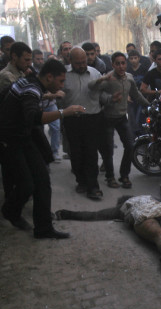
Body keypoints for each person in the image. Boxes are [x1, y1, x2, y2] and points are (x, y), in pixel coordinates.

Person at [0, 59, 83, 239]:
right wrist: (65, 112)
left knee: (42, 181)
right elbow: (33, 116)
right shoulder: (32, 88)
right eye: (61, 81)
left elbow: (0, 97)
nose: (62, 85)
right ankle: (10, 210)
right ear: (49, 77)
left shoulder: (26, 82)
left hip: (23, 137)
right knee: (26, 184)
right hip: (8, 140)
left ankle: (43, 228)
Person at [55, 195, 161, 274]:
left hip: (140, 214)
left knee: (160, 235)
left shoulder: (120, 208)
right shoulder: (151, 196)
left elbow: (94, 215)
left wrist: (67, 214)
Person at [89, 52, 150, 189]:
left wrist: (149, 105)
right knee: (108, 150)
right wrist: (109, 97)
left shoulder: (129, 78)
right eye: (118, 63)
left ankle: (124, 175)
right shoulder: (108, 78)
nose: (121, 66)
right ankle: (110, 177)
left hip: (122, 118)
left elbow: (136, 95)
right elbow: (93, 89)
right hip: (107, 119)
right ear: (113, 64)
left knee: (130, 146)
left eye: (123, 63)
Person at [59, 47, 109, 199]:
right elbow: (57, 97)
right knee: (76, 152)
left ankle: (93, 186)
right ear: (70, 61)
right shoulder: (64, 76)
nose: (81, 65)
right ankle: (81, 180)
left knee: (91, 153)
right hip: (72, 119)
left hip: (92, 118)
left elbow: (102, 94)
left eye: (83, 62)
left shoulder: (95, 73)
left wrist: (111, 99)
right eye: (78, 63)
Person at [127, 49, 150, 135]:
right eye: (131, 58)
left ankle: (143, 133)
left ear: (139, 58)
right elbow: (126, 84)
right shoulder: (128, 70)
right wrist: (128, 95)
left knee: (142, 116)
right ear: (129, 60)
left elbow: (147, 83)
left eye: (135, 58)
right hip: (131, 98)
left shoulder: (144, 69)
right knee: (132, 118)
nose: (133, 60)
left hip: (142, 96)